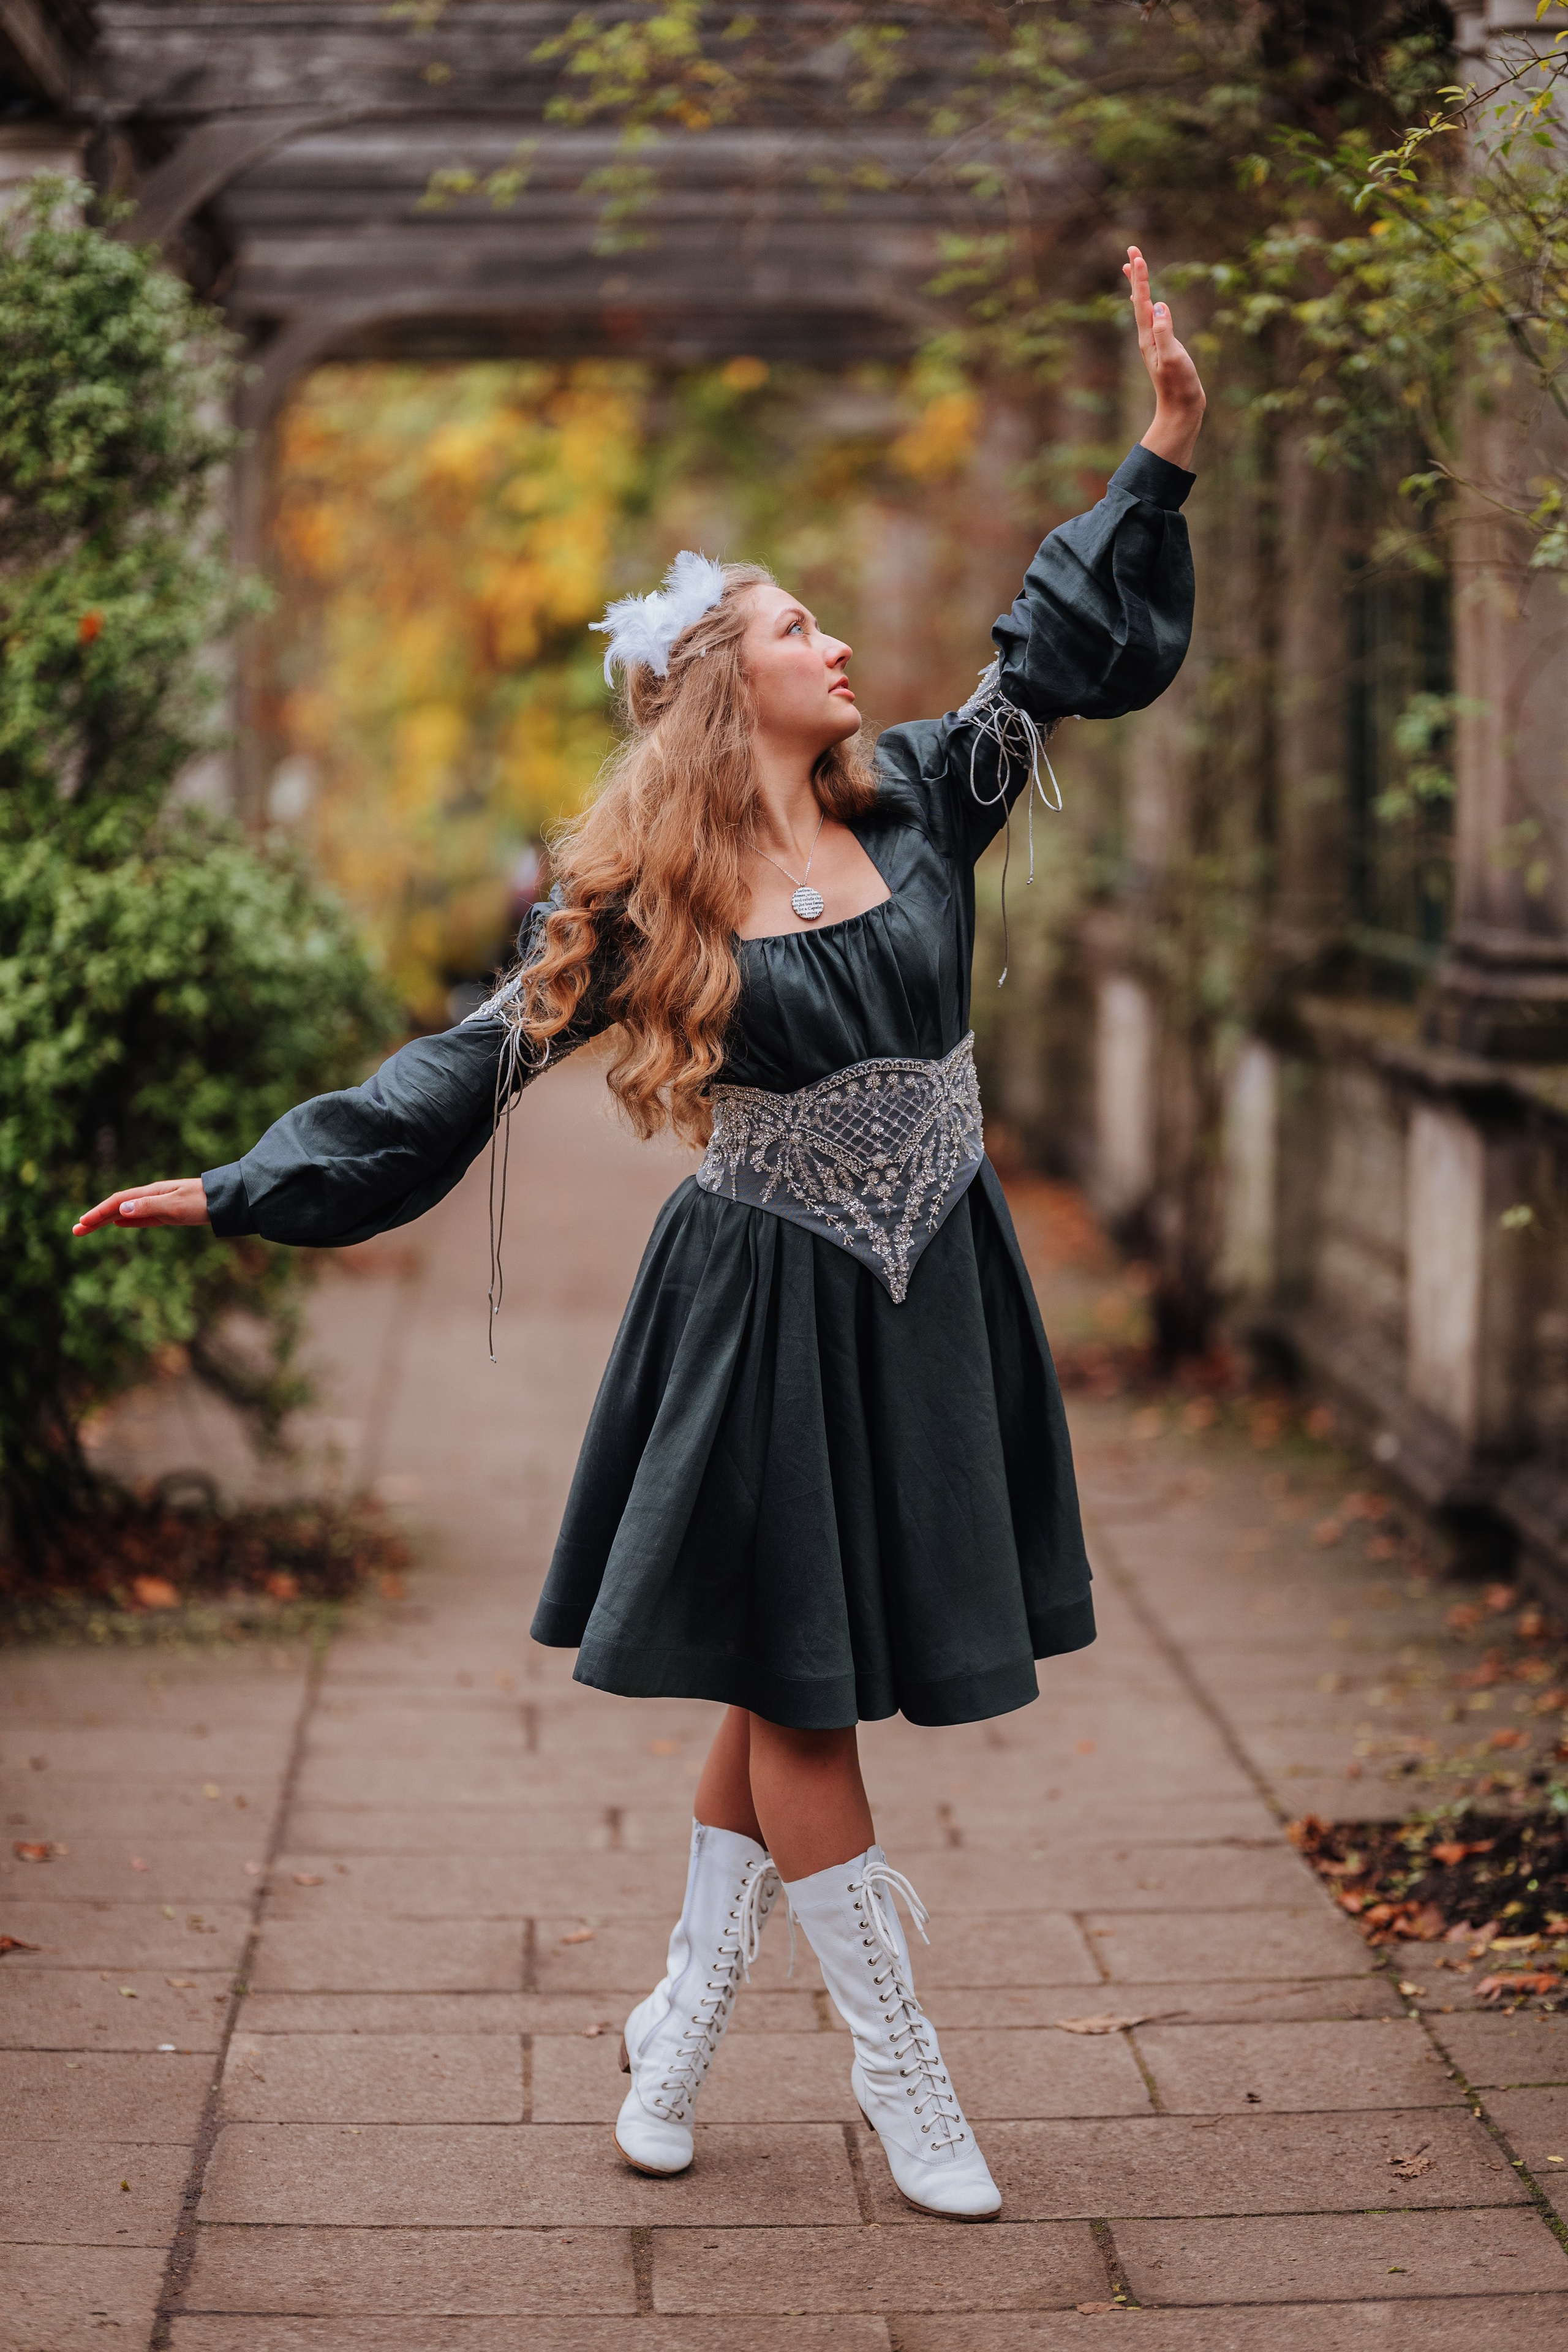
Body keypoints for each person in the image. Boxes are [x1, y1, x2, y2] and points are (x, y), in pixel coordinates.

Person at [75, 250, 1204, 2221]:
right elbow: (456, 1074)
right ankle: (901, 2078)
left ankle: (682, 2006)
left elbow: (1056, 650)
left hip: (936, 1287)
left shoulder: (934, 794)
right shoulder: (639, 914)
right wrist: (243, 1187)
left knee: (787, 1675)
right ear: (717, 686)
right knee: (808, 1696)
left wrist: (1160, 456)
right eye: (795, 624)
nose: (836, 640)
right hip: (762, 1308)